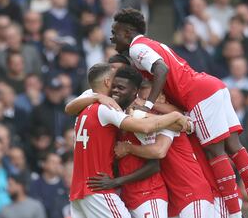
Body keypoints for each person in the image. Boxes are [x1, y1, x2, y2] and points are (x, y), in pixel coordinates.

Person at [110, 8, 248, 218]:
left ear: (128, 32)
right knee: (234, 147)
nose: (112, 37)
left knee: (216, 153)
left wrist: (147, 106)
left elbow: (161, 69)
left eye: (115, 31)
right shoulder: (153, 44)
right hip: (212, 86)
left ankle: (235, 215)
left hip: (197, 94)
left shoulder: (136, 47)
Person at [69, 63, 190, 218]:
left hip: (83, 192)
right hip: (98, 189)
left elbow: (155, 158)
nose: (115, 90)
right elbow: (145, 127)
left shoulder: (85, 107)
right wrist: (176, 117)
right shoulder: (107, 108)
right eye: (114, 84)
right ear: (107, 82)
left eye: (120, 87)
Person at [86, 78, 215, 218]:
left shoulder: (166, 121)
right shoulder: (157, 120)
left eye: (149, 101)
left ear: (162, 97)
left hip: (192, 193)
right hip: (175, 198)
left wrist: (128, 148)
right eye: (142, 100)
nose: (144, 105)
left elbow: (159, 151)